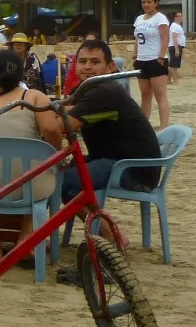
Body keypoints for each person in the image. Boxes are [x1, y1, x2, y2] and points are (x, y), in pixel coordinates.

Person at [0, 50, 61, 266]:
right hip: (27, 187)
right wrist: (55, 155)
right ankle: (25, 240)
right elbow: (51, 128)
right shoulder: (33, 97)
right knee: (41, 173)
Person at [62, 39, 161, 250]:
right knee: (56, 172)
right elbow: (63, 108)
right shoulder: (86, 88)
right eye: (83, 61)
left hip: (133, 169)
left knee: (64, 182)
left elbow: (64, 125)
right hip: (112, 159)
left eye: (95, 61)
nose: (87, 67)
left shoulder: (104, 91)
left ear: (110, 67)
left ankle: (112, 237)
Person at [134, 0, 170, 129]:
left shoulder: (160, 18)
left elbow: (165, 38)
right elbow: (137, 39)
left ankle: (163, 127)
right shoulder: (139, 19)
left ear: (156, 2)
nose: (146, 4)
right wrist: (135, 55)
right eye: (143, 2)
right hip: (142, 60)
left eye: (149, 1)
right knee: (145, 95)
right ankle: (144, 126)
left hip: (156, 60)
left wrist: (161, 57)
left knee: (160, 95)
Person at [168, 10, 186, 85]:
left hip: (178, 46)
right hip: (175, 46)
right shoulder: (175, 26)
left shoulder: (177, 26)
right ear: (175, 17)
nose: (182, 17)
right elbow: (174, 38)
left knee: (175, 64)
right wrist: (176, 49)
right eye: (180, 16)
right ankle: (175, 81)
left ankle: (168, 80)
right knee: (174, 65)